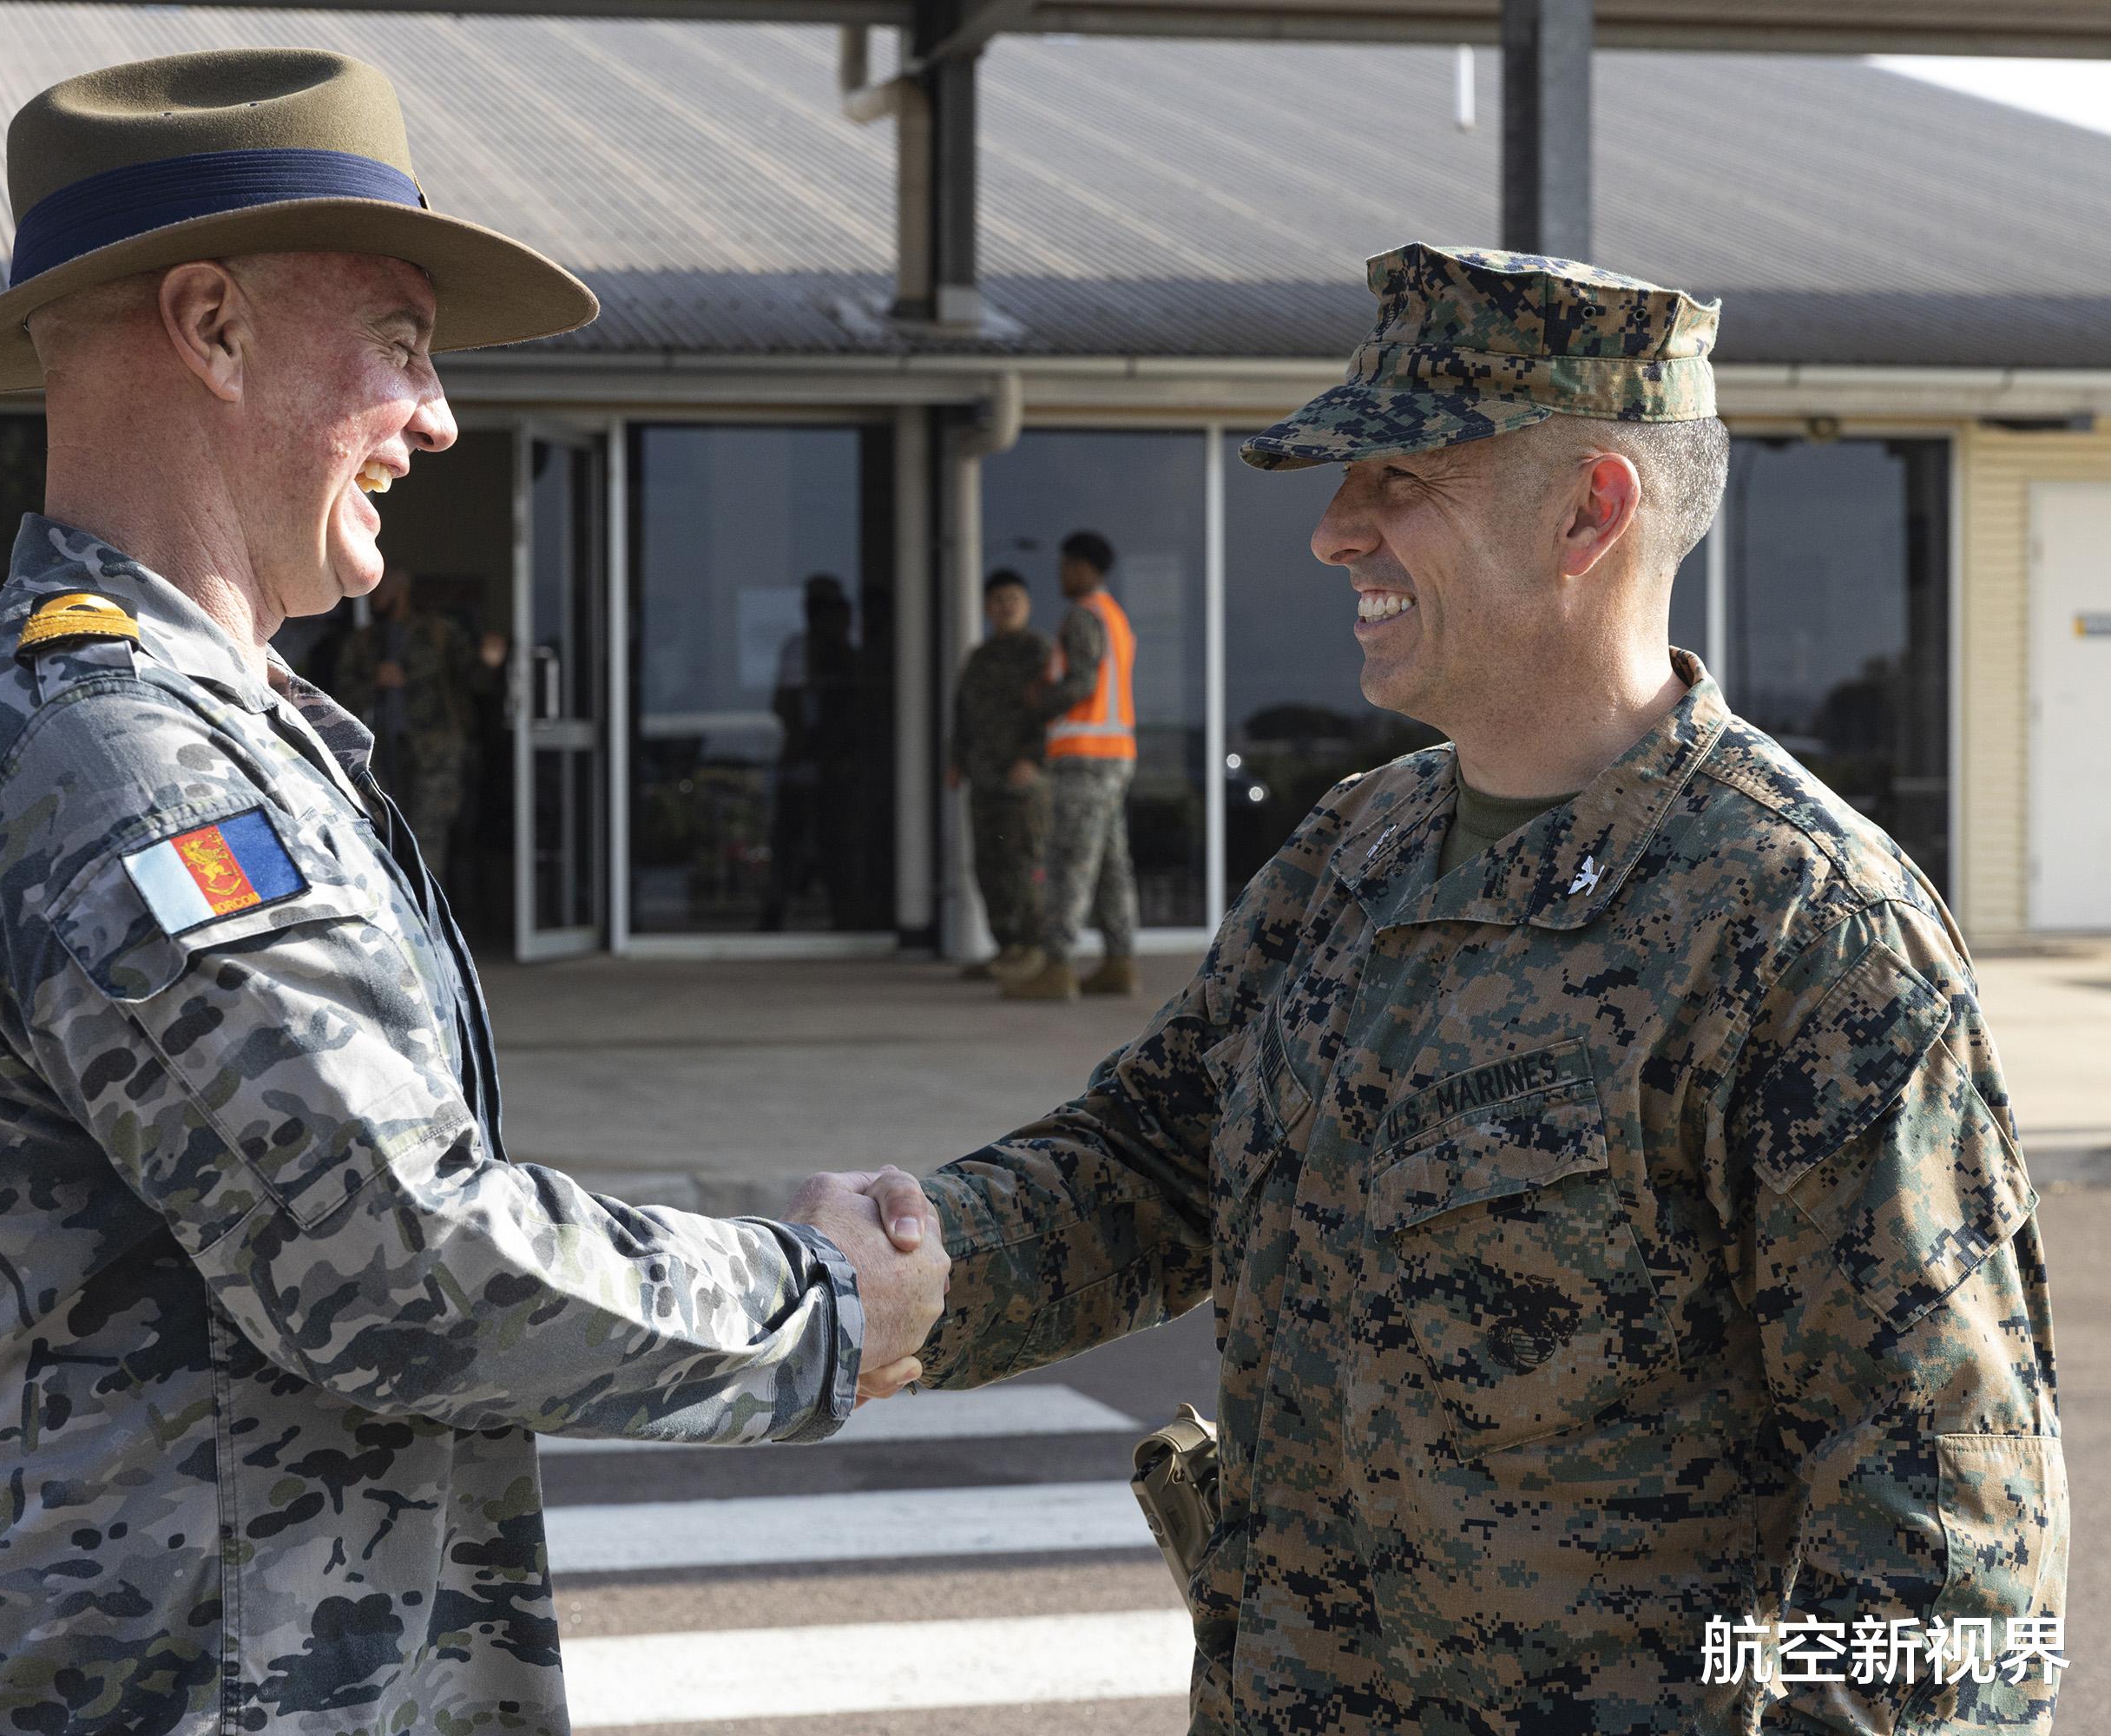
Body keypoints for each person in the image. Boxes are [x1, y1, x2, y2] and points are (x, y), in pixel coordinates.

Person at [0, 49, 946, 1736]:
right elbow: (394, 1261)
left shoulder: (193, 718)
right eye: (403, 340)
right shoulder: (131, 754)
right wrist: (817, 1300)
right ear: (212, 327)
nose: (439, 417)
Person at [852, 244, 2062, 1731]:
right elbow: (1149, 1169)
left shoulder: (1806, 931)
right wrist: (910, 1272)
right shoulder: (1358, 846)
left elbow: (1950, 1551)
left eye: (1401, 480)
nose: (1333, 533)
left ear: (1589, 512)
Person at [1006, 529, 1140, 1000]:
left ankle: (1057, 966)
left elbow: (1081, 683)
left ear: (1085, 568)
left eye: (1066, 566)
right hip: (1114, 756)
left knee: (1068, 860)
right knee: (1110, 864)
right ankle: (1119, 962)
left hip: (1085, 758)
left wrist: (1039, 699)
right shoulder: (1115, 617)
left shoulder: (1083, 615)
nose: (1061, 575)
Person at [330, 568, 505, 878]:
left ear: (401, 588)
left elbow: (476, 681)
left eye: (381, 586)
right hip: (378, 756)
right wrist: (375, 681)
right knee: (380, 837)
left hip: (435, 754)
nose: (373, 594)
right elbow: (337, 699)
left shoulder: (440, 633)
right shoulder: (363, 641)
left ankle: (426, 908)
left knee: (428, 841)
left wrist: (491, 662)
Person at [946, 568, 1051, 979]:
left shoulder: (1038, 652)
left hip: (1023, 780)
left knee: (1023, 863)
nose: (1007, 607)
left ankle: (1033, 947)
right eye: (999, 600)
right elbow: (962, 714)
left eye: (1014, 599)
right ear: (987, 608)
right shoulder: (979, 658)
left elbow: (1052, 712)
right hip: (983, 777)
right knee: (987, 864)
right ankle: (1006, 947)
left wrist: (1034, 758)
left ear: (1028, 605)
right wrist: (956, 759)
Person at [761, 573, 863, 931]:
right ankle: (774, 914)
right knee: (790, 843)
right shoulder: (798, 650)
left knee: (837, 845)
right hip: (802, 763)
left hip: (837, 767)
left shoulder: (850, 657)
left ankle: (844, 917)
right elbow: (785, 704)